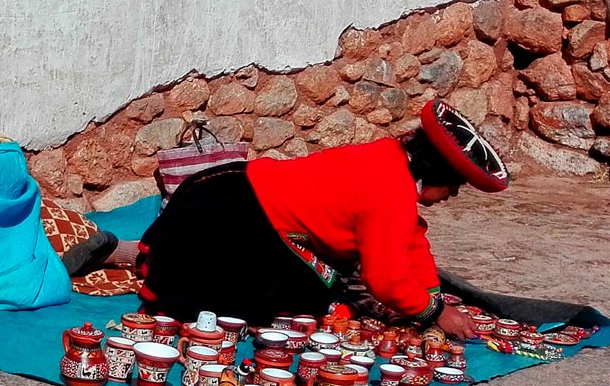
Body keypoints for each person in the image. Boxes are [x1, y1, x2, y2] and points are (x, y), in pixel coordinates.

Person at [135, 99, 509, 338]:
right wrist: (435, 312)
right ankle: (127, 255)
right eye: (453, 188)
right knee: (313, 300)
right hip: (230, 220)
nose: (450, 197)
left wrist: (432, 297)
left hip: (220, 188)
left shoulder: (390, 158)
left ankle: (124, 252)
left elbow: (410, 241)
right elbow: (386, 278)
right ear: (437, 176)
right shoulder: (391, 191)